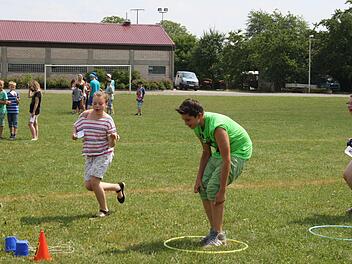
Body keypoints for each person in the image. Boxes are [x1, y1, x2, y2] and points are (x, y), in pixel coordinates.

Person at [176, 98, 252, 247]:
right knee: (203, 187)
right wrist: (198, 179)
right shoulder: (198, 126)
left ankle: (217, 235)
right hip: (220, 153)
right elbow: (206, 153)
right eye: (184, 120)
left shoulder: (217, 127)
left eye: (188, 120)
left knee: (213, 188)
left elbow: (227, 159)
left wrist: (222, 190)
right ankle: (215, 232)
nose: (186, 123)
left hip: (238, 152)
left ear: (199, 115)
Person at [72, 91, 126, 217]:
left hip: (104, 153)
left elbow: (112, 144)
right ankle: (117, 187)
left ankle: (104, 210)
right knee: (89, 185)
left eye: (100, 104)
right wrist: (74, 134)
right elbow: (75, 126)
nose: (97, 106)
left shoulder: (108, 120)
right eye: (94, 103)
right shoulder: (86, 115)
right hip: (90, 154)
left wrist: (112, 138)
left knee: (95, 182)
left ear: (106, 104)